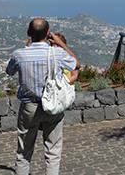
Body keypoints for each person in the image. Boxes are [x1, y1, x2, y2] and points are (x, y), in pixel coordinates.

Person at [6, 18, 79, 175]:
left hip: (29, 108)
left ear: (29, 34)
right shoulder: (58, 53)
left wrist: (27, 47)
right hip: (53, 106)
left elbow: (9, 71)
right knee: (53, 153)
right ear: (48, 33)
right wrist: (61, 43)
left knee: (24, 153)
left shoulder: (19, 55)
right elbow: (76, 65)